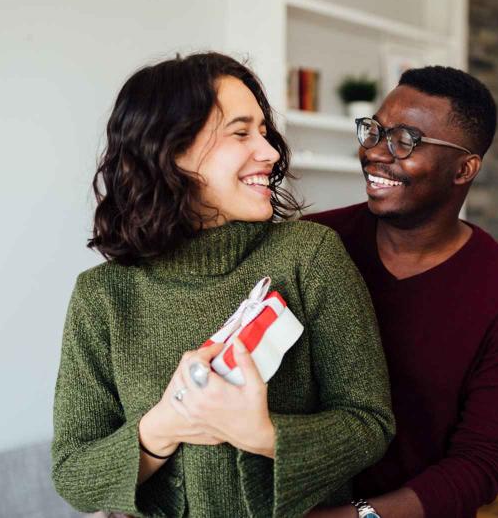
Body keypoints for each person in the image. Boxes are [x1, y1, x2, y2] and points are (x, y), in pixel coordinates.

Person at [51, 52, 395, 518]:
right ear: (169, 150)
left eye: (263, 130)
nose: (271, 152)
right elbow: (73, 473)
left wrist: (262, 433)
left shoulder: (310, 257)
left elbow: (369, 422)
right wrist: (164, 427)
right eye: (240, 132)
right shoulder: (103, 297)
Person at [305, 66, 498, 518]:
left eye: (406, 140)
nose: (376, 152)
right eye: (374, 130)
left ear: (464, 168)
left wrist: (357, 517)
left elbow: (484, 460)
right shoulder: (313, 244)